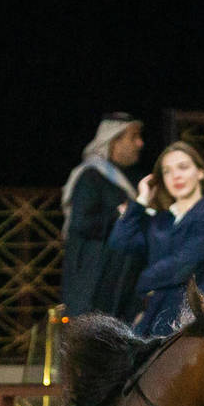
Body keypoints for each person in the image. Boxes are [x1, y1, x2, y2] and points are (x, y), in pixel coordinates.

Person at [106, 141, 204, 337]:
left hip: (194, 316)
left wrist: (140, 284)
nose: (176, 176)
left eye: (183, 167)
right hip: (157, 314)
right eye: (167, 171)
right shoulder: (162, 219)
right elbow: (120, 242)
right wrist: (140, 202)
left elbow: (180, 267)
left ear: (200, 173)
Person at [61, 113, 145, 319]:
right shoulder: (91, 176)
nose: (140, 143)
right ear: (113, 140)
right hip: (91, 284)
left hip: (115, 282)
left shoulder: (123, 178)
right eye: (133, 137)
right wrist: (118, 214)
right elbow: (81, 224)